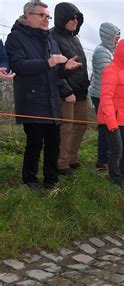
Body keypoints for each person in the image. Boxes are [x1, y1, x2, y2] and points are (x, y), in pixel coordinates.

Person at [6, 1, 81, 190]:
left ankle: (51, 180)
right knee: (34, 143)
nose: (47, 20)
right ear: (28, 15)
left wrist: (66, 68)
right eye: (42, 16)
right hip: (32, 99)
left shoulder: (49, 39)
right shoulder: (15, 38)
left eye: (48, 17)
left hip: (52, 99)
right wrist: (48, 62)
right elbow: (19, 66)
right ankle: (30, 180)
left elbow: (55, 71)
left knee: (53, 143)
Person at [50, 2, 89, 176]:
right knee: (66, 128)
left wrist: (85, 84)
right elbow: (53, 69)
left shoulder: (75, 38)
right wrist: (66, 91)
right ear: (61, 18)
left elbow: (81, 65)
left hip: (81, 91)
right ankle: (61, 163)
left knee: (81, 125)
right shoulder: (52, 37)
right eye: (72, 17)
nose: (75, 21)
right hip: (65, 93)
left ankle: (71, 158)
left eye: (77, 18)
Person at [97, 39, 124, 187]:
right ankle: (115, 179)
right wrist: (111, 122)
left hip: (123, 119)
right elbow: (106, 97)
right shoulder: (111, 70)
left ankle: (123, 173)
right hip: (111, 119)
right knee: (117, 148)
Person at [89, 22, 121, 171]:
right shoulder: (102, 52)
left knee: (107, 127)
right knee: (105, 127)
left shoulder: (112, 51)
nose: (118, 40)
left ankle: (106, 158)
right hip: (101, 95)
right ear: (108, 37)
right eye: (116, 37)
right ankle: (103, 160)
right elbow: (108, 75)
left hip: (108, 94)